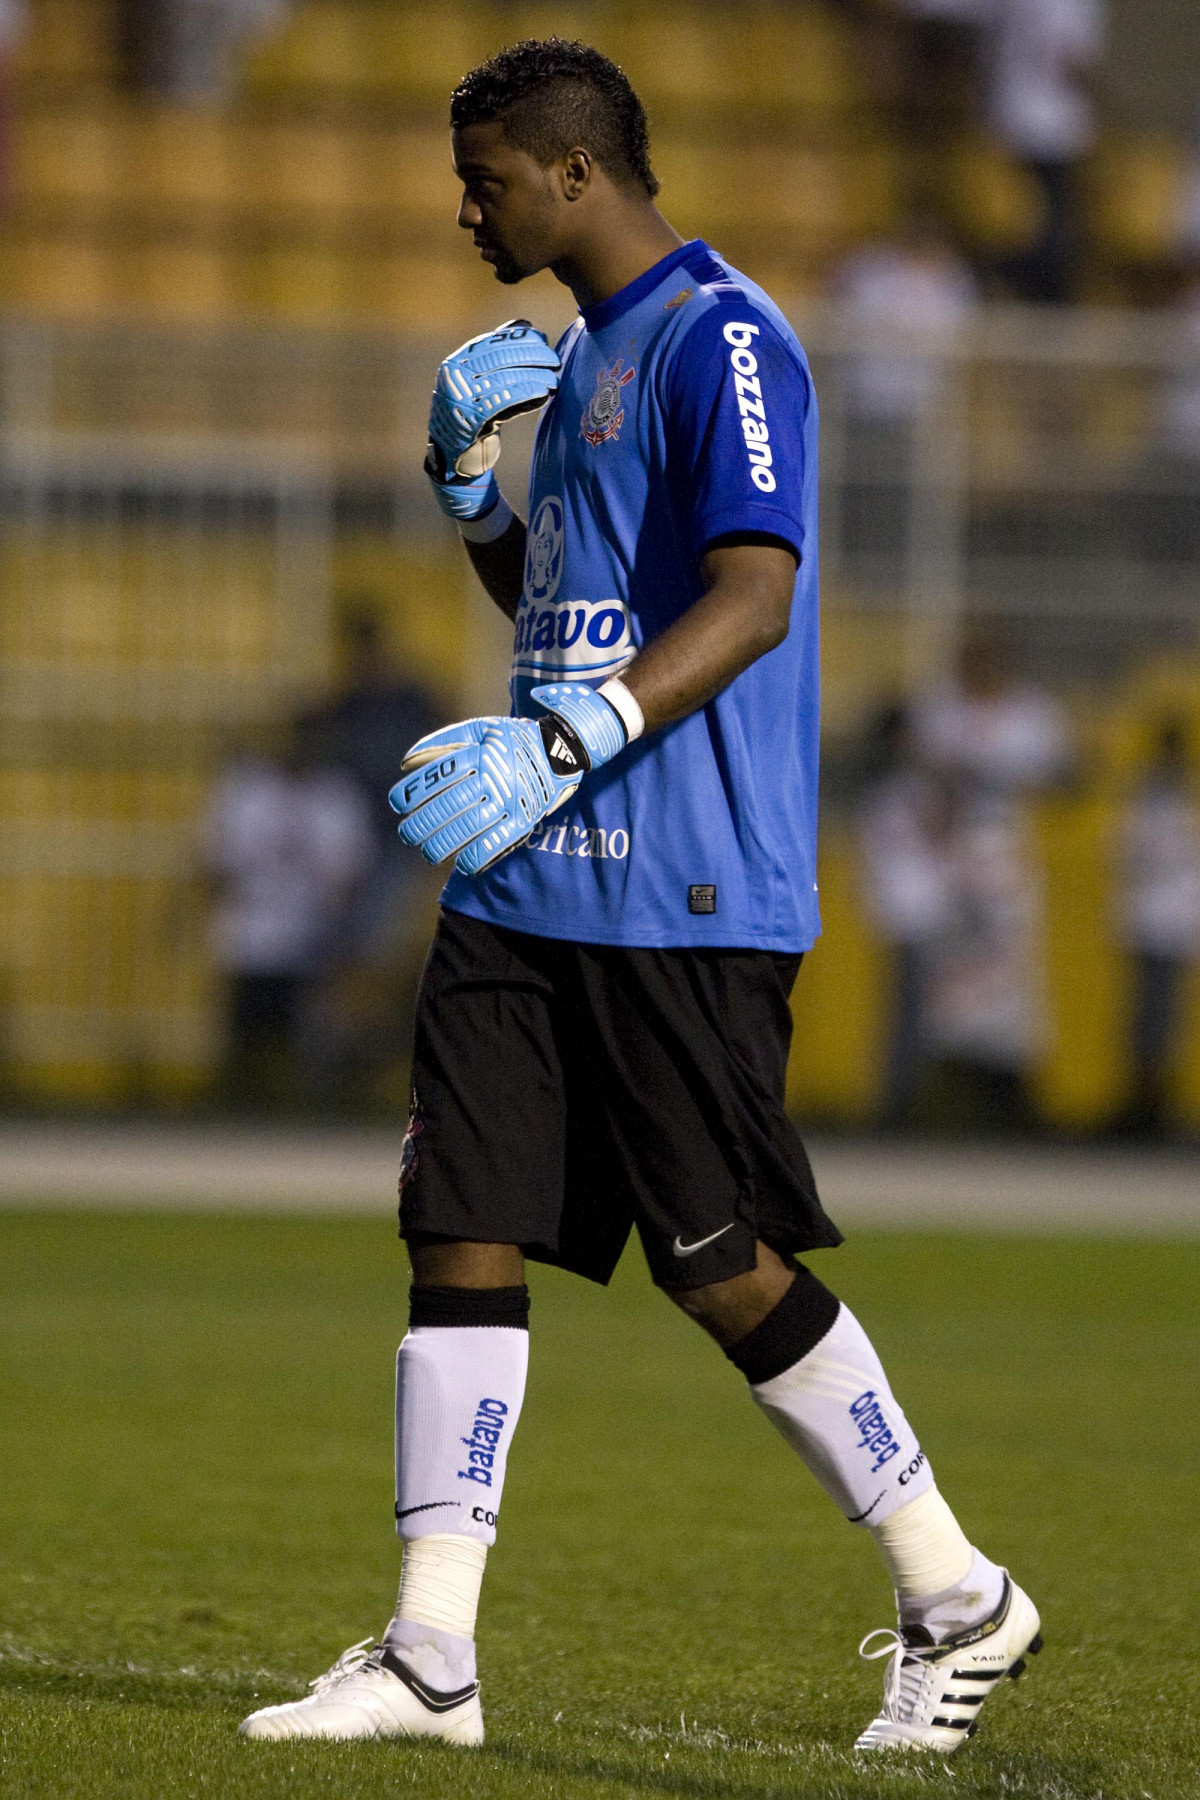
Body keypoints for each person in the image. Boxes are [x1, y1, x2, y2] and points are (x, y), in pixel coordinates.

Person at [239, 38, 1041, 1755]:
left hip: (684, 880)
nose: (468, 206)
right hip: (535, 875)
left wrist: (577, 735)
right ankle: (430, 1657)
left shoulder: (722, 336)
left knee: (720, 1264)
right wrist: (472, 496)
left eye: (488, 178)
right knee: (457, 1215)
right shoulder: (586, 349)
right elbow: (569, 604)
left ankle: (958, 1590)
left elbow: (751, 596)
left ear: (577, 171)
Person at [201, 718, 373, 1106]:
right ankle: (241, 1106)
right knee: (247, 1040)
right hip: (250, 937)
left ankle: (307, 1106)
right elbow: (215, 866)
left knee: (307, 1043)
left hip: (308, 939)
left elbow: (349, 879)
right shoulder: (248, 793)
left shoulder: (336, 797)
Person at [982, 0, 1105, 303]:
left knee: (1032, 225)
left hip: (1011, 119)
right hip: (1049, 127)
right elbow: (1073, 62)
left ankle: (1024, 295)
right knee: (1048, 233)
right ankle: (1044, 304)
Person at [1113, 719, 1200, 1138]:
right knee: (1146, 1019)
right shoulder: (1149, 805)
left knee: (1160, 1020)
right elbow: (1131, 857)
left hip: (1169, 923)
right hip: (1150, 921)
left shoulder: (1178, 805)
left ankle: (1154, 1106)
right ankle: (1143, 1106)